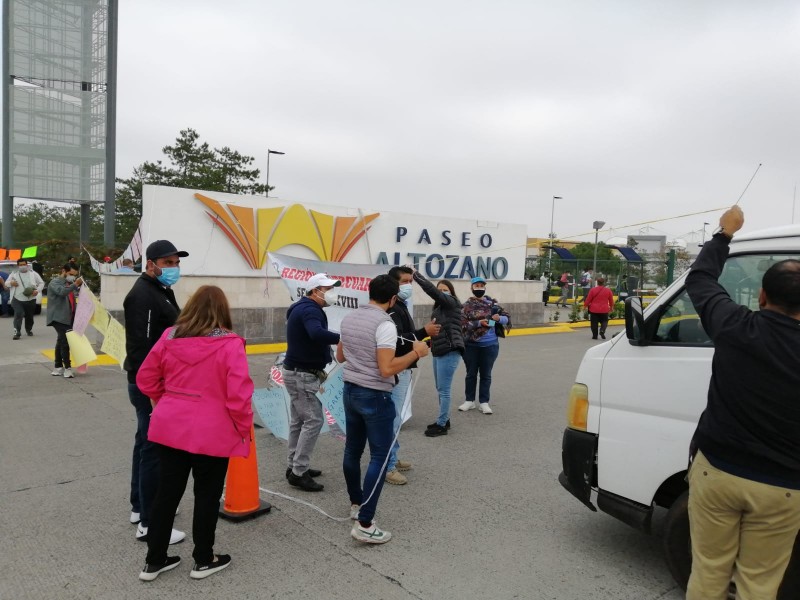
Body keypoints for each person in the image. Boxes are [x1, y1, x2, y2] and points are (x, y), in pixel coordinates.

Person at [684, 205, 800, 600]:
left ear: (763, 295)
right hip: (784, 488)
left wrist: (724, 234)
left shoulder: (734, 325)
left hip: (717, 472)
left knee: (708, 571)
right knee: (759, 584)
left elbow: (700, 279)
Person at [136, 285, 253, 581]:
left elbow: (146, 378)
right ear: (223, 310)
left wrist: (167, 400)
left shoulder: (169, 336)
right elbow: (238, 396)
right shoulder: (230, 344)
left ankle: (154, 560)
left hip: (170, 425)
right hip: (212, 431)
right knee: (207, 494)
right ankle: (204, 558)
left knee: (167, 494)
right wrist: (242, 429)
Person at [336, 274, 430, 544]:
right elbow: (386, 368)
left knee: (352, 451)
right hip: (375, 395)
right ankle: (365, 522)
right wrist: (416, 353)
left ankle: (356, 505)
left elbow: (340, 356)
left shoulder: (350, 317)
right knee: (379, 456)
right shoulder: (385, 324)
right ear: (392, 299)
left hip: (350, 390)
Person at [124, 240, 188, 545]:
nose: (173, 268)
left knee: (143, 442)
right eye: (167, 263)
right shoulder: (142, 296)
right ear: (150, 264)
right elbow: (142, 348)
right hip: (148, 383)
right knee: (153, 450)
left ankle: (140, 506)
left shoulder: (161, 291)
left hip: (155, 381)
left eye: (175, 262)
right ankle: (150, 523)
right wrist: (152, 388)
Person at [283, 272, 341, 492]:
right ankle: (299, 472)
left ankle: (295, 465)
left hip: (298, 372)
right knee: (314, 420)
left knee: (299, 421)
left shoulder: (303, 307)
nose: (331, 293)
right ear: (315, 291)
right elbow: (316, 333)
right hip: (303, 374)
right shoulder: (309, 310)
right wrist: (343, 338)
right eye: (328, 289)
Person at [384, 266, 440, 484]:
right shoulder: (392, 309)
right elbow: (397, 340)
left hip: (404, 368)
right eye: (404, 281)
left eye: (410, 281)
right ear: (393, 284)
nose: (408, 285)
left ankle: (393, 457)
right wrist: (423, 333)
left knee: (395, 419)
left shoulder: (400, 305)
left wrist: (422, 337)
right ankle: (387, 467)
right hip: (397, 368)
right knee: (393, 419)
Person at [411, 270, 464, 437]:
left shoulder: (452, 303)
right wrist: (426, 342)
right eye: (440, 289)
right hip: (439, 350)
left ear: (451, 292)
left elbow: (433, 292)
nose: (441, 292)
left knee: (444, 389)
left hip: (449, 350)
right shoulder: (439, 310)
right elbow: (437, 332)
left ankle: (441, 425)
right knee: (440, 388)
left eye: (444, 290)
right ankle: (444, 419)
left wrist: (416, 276)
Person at [458, 277, 510, 415]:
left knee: (486, 374)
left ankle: (484, 402)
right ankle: (469, 401)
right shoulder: (466, 306)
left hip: (490, 345)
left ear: (485, 288)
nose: (479, 288)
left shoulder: (493, 304)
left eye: (482, 285)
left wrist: (499, 318)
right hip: (471, 345)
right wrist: (480, 323)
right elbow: (462, 325)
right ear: (472, 288)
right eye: (477, 285)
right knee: (471, 374)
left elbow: (506, 318)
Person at [46, 264, 84, 378]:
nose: (72, 277)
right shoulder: (55, 283)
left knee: (61, 340)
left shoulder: (69, 284)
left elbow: (73, 296)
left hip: (68, 317)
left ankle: (57, 367)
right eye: (71, 274)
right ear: (64, 271)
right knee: (65, 342)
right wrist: (75, 284)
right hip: (58, 317)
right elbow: (62, 292)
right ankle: (67, 368)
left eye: (75, 275)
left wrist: (80, 286)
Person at [6, 258, 44, 339]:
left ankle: (28, 329)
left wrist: (37, 290)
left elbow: (41, 283)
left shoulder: (33, 274)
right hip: (17, 299)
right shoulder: (14, 274)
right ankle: (17, 333)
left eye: (24, 264)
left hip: (30, 299)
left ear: (27, 265)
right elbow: (6, 283)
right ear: (18, 266)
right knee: (18, 314)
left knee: (29, 317)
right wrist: (11, 283)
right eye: (21, 265)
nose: (22, 266)